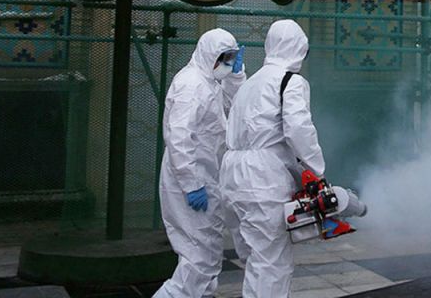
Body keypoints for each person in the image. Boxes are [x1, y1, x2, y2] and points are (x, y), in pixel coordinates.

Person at [221, 20, 365, 298]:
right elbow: (299, 129)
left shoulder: (249, 84)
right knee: (272, 264)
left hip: (232, 178)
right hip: (262, 181)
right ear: (299, 48)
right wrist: (317, 172)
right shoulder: (290, 81)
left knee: (256, 259)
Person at [156, 29, 247, 298]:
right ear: (211, 55)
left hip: (205, 176)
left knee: (207, 254)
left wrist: (236, 75)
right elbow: (179, 138)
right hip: (188, 180)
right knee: (198, 257)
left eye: (232, 58)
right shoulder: (191, 84)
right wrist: (191, 184)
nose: (228, 64)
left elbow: (239, 105)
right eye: (225, 58)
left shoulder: (210, 82)